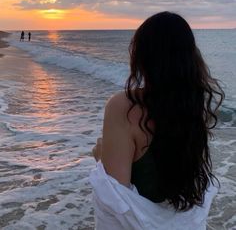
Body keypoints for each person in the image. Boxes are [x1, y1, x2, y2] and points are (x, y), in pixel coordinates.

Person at [90, 12, 224, 230]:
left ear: (143, 56)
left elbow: (115, 202)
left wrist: (100, 159)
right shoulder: (193, 108)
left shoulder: (124, 106)